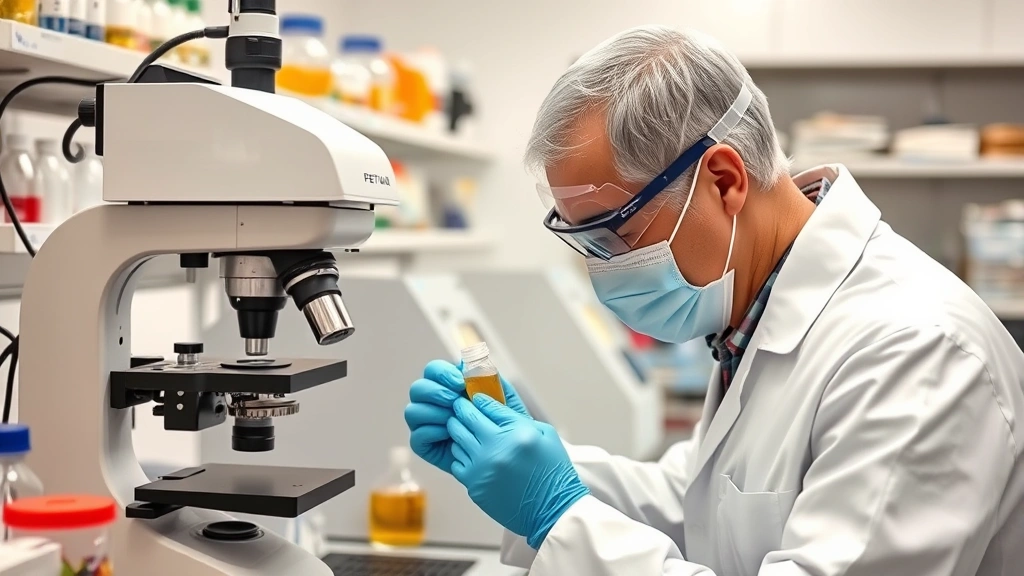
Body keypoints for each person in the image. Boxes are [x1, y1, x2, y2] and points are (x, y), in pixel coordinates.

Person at [404, 25, 1024, 576]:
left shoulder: (914, 351)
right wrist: (532, 463)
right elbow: (701, 505)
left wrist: (557, 512)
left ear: (723, 181)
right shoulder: (753, 313)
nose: (603, 269)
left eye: (612, 233)